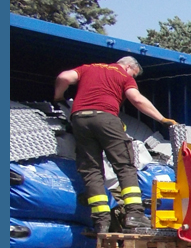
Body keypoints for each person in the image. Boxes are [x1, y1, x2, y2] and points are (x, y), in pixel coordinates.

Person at [54, 56, 176, 234]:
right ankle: (134, 214)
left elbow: (64, 77)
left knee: (91, 170)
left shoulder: (88, 67)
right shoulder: (123, 75)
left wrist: (58, 97)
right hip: (106, 118)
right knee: (124, 166)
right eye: (133, 74)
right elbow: (137, 99)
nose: (133, 78)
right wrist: (162, 119)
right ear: (127, 66)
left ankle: (101, 221)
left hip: (79, 119)